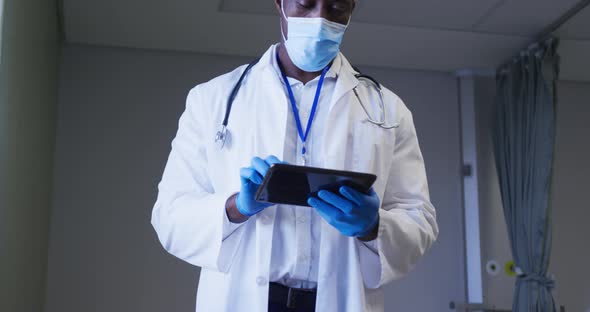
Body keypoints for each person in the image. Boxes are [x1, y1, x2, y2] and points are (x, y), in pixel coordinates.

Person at [151, 0, 438, 311]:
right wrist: (236, 207)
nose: (320, 18)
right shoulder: (213, 100)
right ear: (280, 3)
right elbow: (169, 216)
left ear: (353, 8)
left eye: (336, 7)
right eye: (305, 4)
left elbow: (419, 221)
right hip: (244, 298)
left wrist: (372, 226)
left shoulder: (388, 111)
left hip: (339, 300)